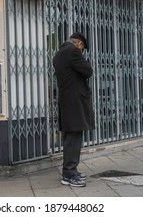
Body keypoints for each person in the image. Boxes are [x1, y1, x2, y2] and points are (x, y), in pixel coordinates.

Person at [53, 32, 95, 187]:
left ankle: (71, 171)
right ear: (78, 43)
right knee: (73, 139)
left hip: (67, 101)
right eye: (82, 47)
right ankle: (69, 175)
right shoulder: (72, 51)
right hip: (75, 102)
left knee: (71, 138)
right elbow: (88, 71)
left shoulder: (59, 53)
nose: (82, 51)